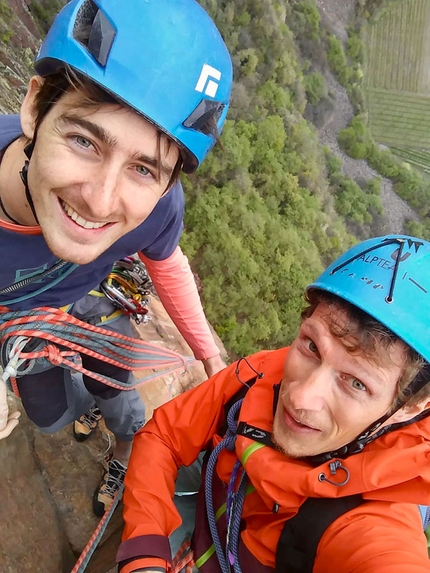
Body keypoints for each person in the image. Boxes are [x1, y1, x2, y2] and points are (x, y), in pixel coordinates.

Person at [0, 0, 232, 516]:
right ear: (36, 109)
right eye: (84, 140)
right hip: (24, 331)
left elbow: (165, 260)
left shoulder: (157, 206)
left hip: (85, 304)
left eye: (144, 169)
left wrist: (209, 357)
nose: (101, 201)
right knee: (52, 418)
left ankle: (124, 449)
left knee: (119, 386)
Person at [118, 234, 430, 573]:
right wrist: (144, 547)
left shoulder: (374, 525)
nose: (299, 397)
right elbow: (164, 436)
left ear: (413, 406)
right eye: (311, 346)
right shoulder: (260, 374)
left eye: (356, 383)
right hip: (212, 506)